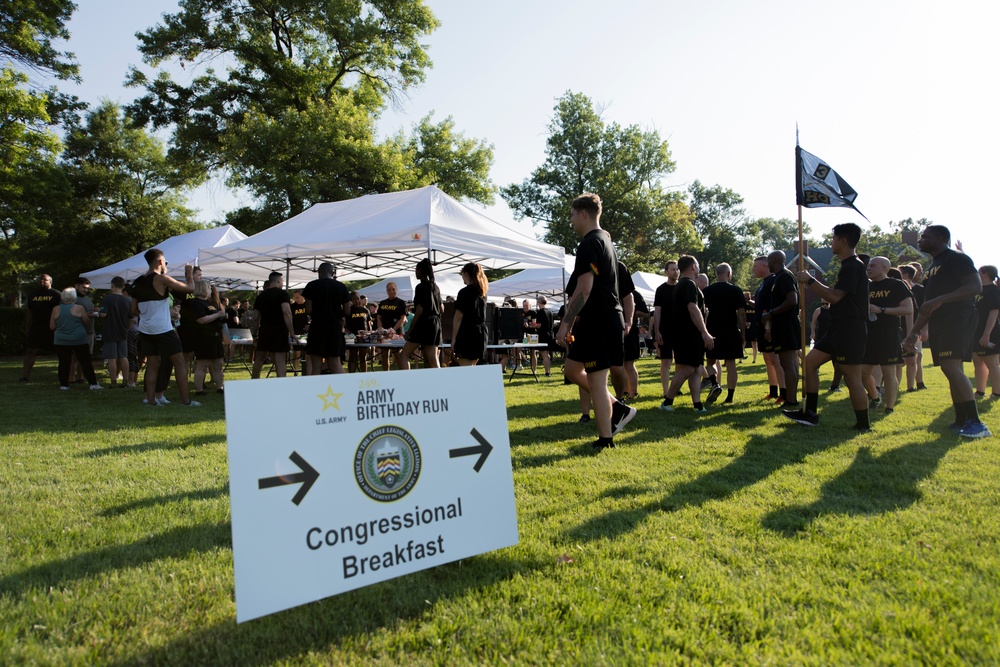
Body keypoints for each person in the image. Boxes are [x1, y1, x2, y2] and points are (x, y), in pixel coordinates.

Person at [556, 193, 636, 450]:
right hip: (603, 319)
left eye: (571, 215)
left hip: (599, 320)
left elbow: (584, 289)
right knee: (571, 370)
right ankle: (618, 410)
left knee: (597, 381)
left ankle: (606, 439)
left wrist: (566, 324)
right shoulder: (606, 241)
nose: (570, 221)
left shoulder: (590, 243)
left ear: (583, 214)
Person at [903, 226, 990, 438]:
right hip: (941, 321)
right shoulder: (934, 265)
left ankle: (977, 424)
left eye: (925, 237)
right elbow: (926, 306)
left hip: (958, 317)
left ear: (941, 238)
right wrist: (912, 333)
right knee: (948, 368)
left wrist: (940, 300)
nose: (921, 240)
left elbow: (974, 287)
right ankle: (960, 419)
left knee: (951, 367)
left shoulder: (956, 258)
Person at [783, 223, 869, 430]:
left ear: (843, 241)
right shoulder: (846, 266)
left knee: (851, 377)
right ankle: (810, 414)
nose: (831, 243)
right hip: (836, 328)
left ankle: (863, 425)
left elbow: (835, 297)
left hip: (851, 329)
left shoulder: (853, 266)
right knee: (810, 363)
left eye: (833, 239)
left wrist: (810, 280)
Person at [131, 248, 199, 407]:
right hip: (162, 328)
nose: (166, 264)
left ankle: (151, 401)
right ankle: (185, 401)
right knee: (180, 363)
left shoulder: (137, 282)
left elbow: (133, 310)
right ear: (160, 261)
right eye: (166, 262)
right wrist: (189, 273)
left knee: (152, 364)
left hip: (145, 329)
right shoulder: (161, 279)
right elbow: (190, 288)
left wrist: (149, 312)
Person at [660, 255, 714, 412]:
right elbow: (692, 308)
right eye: (697, 265)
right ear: (692, 267)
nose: (698, 268)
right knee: (688, 369)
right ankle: (667, 402)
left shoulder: (684, 285)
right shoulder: (689, 284)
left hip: (687, 333)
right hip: (688, 334)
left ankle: (697, 405)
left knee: (697, 369)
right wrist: (704, 332)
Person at [862, 257, 912, 413]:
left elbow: (907, 309)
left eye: (873, 265)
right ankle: (875, 397)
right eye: (868, 265)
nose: (868, 268)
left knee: (888, 372)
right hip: (869, 333)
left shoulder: (896, 285)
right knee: (863, 373)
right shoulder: (866, 287)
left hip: (888, 332)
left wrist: (882, 309)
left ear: (884, 268)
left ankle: (889, 407)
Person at [760, 251, 801, 407]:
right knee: (788, 363)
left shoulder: (784, 276)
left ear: (775, 260)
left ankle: (790, 399)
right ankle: (791, 398)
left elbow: (792, 300)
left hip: (787, 324)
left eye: (769, 261)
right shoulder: (779, 277)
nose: (768, 264)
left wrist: (771, 313)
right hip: (783, 324)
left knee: (788, 363)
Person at [702, 262, 747, 404]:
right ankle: (730, 397)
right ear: (728, 274)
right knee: (731, 363)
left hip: (713, 329)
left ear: (716, 274)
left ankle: (715, 383)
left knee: (710, 361)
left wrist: (703, 331)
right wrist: (743, 333)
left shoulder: (707, 291)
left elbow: (702, 312)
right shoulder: (736, 290)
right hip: (730, 329)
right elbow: (741, 313)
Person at [303, 262, 352, 375]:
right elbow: (347, 311)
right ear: (332, 273)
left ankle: (315, 391)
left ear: (319, 273)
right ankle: (346, 388)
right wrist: (337, 314)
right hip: (334, 327)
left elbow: (308, 310)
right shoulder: (341, 286)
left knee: (316, 364)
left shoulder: (312, 285)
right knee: (335, 362)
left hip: (317, 326)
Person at [50, 287, 102, 390]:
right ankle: (93, 383)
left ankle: (64, 385)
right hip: (79, 338)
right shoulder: (79, 308)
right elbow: (87, 322)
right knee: (85, 361)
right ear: (74, 297)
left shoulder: (56, 309)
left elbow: (52, 326)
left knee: (63, 362)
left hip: (61, 339)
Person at [752, 256, 785, 403]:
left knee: (775, 359)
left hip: (770, 327)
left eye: (755, 266)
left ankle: (783, 393)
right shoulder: (763, 284)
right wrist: (750, 302)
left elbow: (770, 307)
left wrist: (768, 327)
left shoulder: (772, 281)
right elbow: (760, 307)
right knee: (767, 359)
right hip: (762, 326)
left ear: (765, 265)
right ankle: (773, 391)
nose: (753, 269)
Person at [251, 271, 296, 378]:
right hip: (280, 331)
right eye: (282, 281)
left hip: (264, 330)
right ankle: (281, 386)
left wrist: (254, 335)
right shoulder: (283, 294)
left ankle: (253, 382)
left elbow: (256, 318)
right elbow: (287, 312)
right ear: (278, 281)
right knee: (280, 361)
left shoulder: (261, 296)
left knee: (259, 359)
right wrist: (292, 332)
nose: (283, 283)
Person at [185, 280, 226, 395]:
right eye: (209, 288)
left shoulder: (209, 303)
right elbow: (201, 319)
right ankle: (199, 390)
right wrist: (218, 314)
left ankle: (220, 387)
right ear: (203, 289)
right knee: (202, 364)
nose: (210, 291)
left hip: (215, 337)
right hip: (203, 337)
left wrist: (221, 315)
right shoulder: (196, 303)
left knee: (218, 364)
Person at [400, 258, 443, 370]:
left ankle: (407, 381)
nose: (415, 273)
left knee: (404, 354)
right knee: (433, 359)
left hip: (424, 323)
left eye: (416, 270)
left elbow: (419, 311)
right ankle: (442, 383)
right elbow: (442, 308)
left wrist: (410, 329)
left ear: (421, 270)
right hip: (435, 324)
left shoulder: (420, 287)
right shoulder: (435, 287)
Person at [21, 274, 61, 382]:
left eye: (45, 280)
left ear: (50, 282)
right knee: (30, 351)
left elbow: (62, 311)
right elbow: (29, 312)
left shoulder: (57, 295)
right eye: (40, 280)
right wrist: (27, 327)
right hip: (37, 327)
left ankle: (64, 376)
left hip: (53, 327)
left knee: (61, 352)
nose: (42, 281)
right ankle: (25, 376)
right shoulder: (32, 295)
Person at [652, 260, 680, 405]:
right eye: (673, 269)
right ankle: (665, 390)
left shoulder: (682, 287)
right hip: (665, 330)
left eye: (677, 269)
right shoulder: (661, 289)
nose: (676, 272)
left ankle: (676, 388)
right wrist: (657, 331)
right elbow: (657, 312)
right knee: (666, 361)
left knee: (681, 361)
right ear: (666, 272)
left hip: (681, 330)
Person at [452, 262, 489, 366]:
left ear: (466, 274)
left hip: (467, 333)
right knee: (472, 367)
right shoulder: (483, 293)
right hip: (481, 334)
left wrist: (454, 339)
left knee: (466, 370)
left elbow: (458, 317)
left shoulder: (464, 292)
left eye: (462, 274)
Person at [99, 276, 132, 388]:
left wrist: (99, 311)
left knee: (112, 358)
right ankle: (126, 381)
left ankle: (113, 381)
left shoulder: (107, 299)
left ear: (112, 285)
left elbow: (103, 314)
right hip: (123, 331)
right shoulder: (127, 300)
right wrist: (127, 328)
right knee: (123, 356)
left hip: (110, 330)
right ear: (123, 286)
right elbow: (131, 318)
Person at [973, 265, 1000, 400]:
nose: (977, 274)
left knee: (991, 362)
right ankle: (980, 391)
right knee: (977, 360)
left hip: (989, 331)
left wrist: (986, 334)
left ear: (986, 274)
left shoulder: (993, 291)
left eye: (979, 272)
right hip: (976, 330)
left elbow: (993, 314)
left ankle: (996, 392)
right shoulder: (978, 290)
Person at [68, 276, 98, 384]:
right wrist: (86, 315)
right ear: (76, 286)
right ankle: (71, 378)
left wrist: (95, 310)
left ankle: (80, 377)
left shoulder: (87, 298)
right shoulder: (72, 298)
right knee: (74, 357)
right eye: (83, 287)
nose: (85, 290)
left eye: (87, 288)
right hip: (78, 331)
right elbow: (70, 314)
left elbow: (89, 310)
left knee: (85, 357)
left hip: (89, 332)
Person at [376, 282, 407, 371]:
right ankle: (387, 376)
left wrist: (393, 330)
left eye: (393, 289)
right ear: (386, 291)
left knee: (398, 355)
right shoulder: (382, 303)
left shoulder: (401, 302)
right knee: (384, 355)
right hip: (384, 333)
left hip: (397, 333)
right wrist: (381, 329)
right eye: (389, 290)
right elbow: (379, 318)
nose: (391, 291)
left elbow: (403, 319)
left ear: (396, 290)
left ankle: (402, 376)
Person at [346, 290, 372, 372]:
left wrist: (369, 334)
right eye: (354, 299)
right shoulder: (348, 310)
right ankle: (351, 376)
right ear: (351, 300)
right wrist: (350, 334)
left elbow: (368, 324)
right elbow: (345, 325)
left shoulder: (365, 310)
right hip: (352, 337)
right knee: (352, 357)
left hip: (364, 337)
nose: (356, 301)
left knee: (363, 357)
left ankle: (364, 376)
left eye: (358, 298)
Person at [289, 289, 309, 373]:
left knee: (308, 353)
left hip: (307, 333)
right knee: (296, 352)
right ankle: (296, 371)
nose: (296, 299)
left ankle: (307, 371)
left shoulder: (308, 305)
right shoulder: (292, 307)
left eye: (298, 297)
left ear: (302, 296)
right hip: (296, 332)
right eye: (295, 298)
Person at [535, 295, 554, 376]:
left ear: (539, 302)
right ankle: (548, 371)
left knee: (544, 354)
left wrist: (533, 325)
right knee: (547, 354)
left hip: (543, 334)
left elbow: (539, 325)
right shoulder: (550, 311)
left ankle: (547, 372)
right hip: (550, 334)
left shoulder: (540, 312)